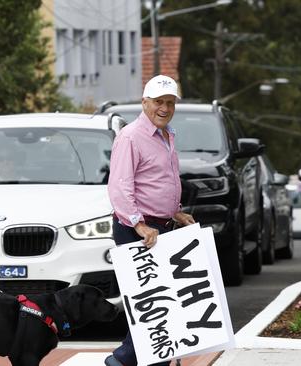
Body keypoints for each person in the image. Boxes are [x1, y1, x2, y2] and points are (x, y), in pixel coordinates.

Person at [104, 75, 196, 366]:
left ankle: (141, 360)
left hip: (161, 227)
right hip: (137, 231)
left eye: (170, 103)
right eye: (159, 102)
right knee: (150, 302)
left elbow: (160, 180)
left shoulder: (168, 135)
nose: (165, 108)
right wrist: (139, 224)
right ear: (145, 103)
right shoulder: (131, 136)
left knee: (160, 302)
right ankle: (123, 359)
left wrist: (176, 212)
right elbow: (119, 186)